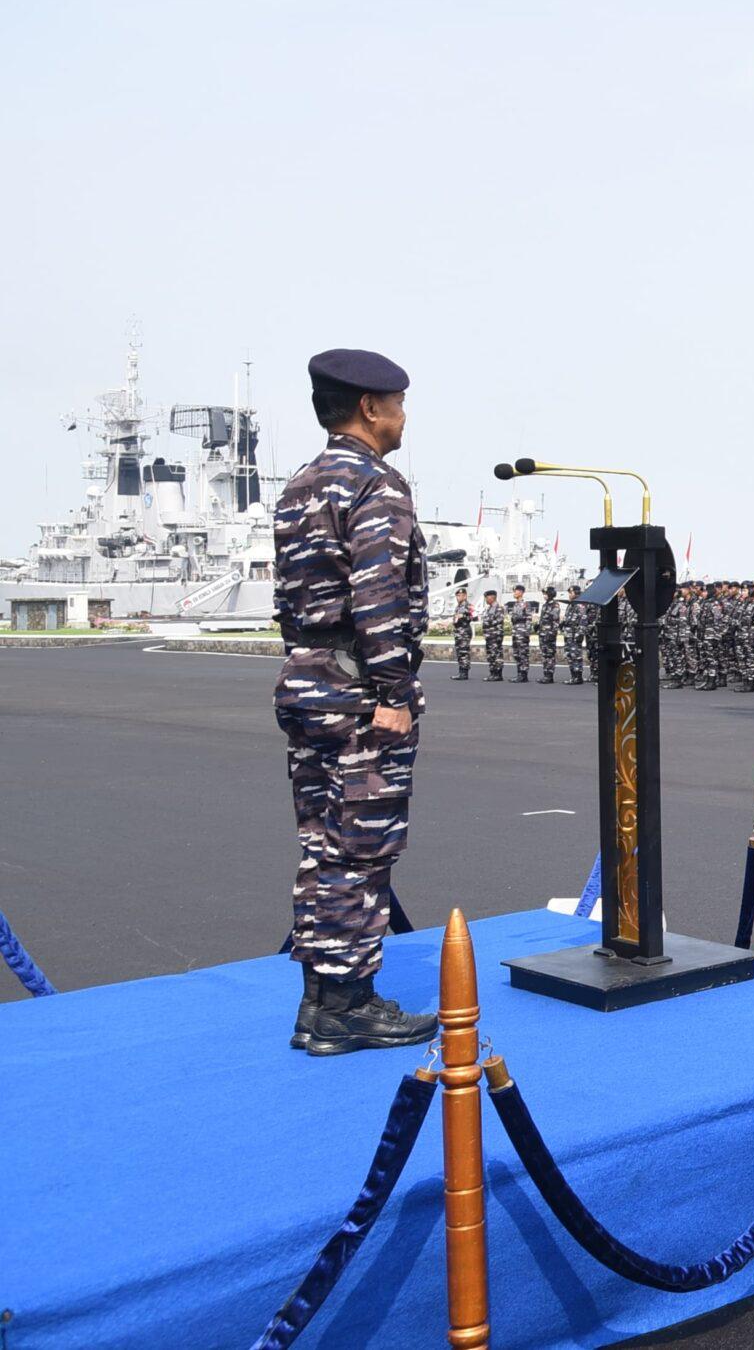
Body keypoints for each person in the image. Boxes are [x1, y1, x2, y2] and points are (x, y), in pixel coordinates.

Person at [272, 348, 436, 1056]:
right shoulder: (375, 485)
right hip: (359, 694)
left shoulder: (301, 484)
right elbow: (379, 598)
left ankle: (319, 1003)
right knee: (361, 851)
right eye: (397, 403)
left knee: (322, 846)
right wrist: (393, 693)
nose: (403, 416)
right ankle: (348, 1007)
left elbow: (291, 601)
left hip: (309, 680)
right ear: (370, 407)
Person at [450, 588, 474, 682]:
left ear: (465, 596)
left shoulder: (468, 606)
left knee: (464, 652)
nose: (458, 597)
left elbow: (473, 617)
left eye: (460, 595)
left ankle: (464, 672)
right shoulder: (458, 606)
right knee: (460, 652)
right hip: (458, 632)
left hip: (464, 631)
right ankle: (461, 671)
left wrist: (463, 616)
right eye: (457, 596)